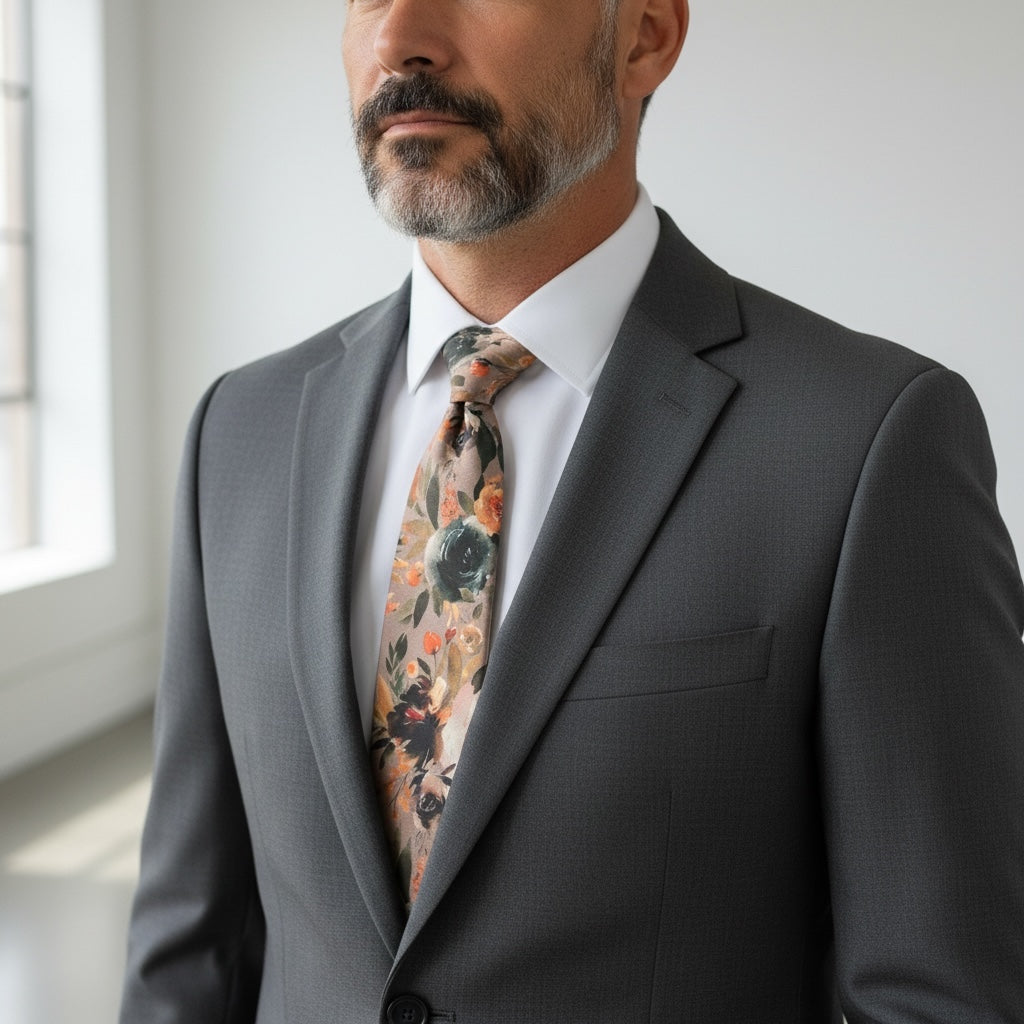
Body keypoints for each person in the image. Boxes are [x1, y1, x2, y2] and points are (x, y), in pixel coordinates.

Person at [120, 0, 1024, 1021]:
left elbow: (942, 995)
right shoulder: (239, 430)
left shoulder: (867, 445)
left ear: (643, 35)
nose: (400, 36)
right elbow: (186, 952)